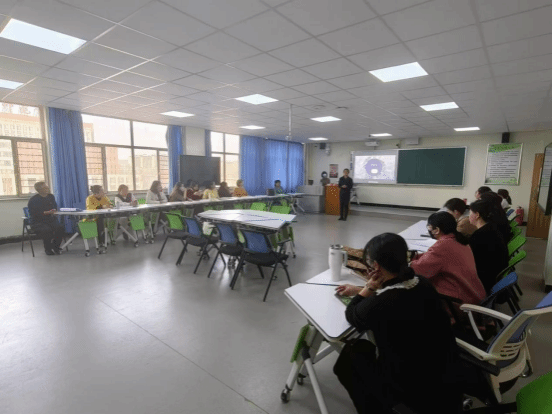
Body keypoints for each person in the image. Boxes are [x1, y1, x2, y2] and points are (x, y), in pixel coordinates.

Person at [334, 233, 462, 414]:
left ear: (376, 266)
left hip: (410, 384)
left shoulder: (382, 303)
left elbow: (353, 315)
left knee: (348, 359)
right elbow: (394, 293)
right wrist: (369, 289)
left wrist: (367, 288)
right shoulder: (423, 283)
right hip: (445, 372)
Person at [410, 212, 486, 306]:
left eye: (429, 227)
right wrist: (415, 256)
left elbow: (419, 270)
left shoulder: (442, 246)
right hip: (474, 295)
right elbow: (433, 257)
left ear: (437, 230)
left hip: (460, 303)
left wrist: (407, 262)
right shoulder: (458, 239)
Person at [469, 200, 510, 294]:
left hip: (485, 280)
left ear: (477, 215)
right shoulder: (492, 228)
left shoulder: (478, 236)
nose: (468, 216)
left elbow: (471, 262)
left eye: (470, 213)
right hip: (495, 274)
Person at [28, 182, 65, 256]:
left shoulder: (51, 196)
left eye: (47, 187)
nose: (47, 188)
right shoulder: (33, 200)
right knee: (47, 230)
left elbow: (54, 207)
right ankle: (48, 249)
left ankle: (55, 246)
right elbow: (33, 213)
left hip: (50, 219)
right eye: (45, 188)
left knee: (60, 227)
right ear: (39, 190)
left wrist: (54, 211)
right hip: (38, 222)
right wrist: (46, 212)